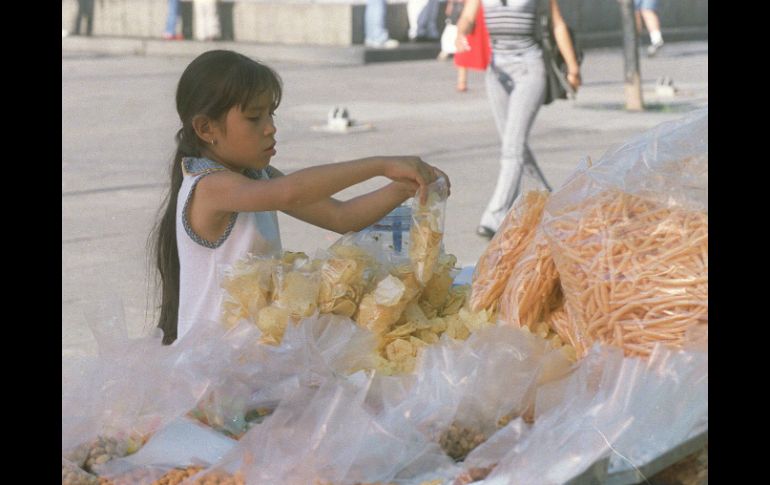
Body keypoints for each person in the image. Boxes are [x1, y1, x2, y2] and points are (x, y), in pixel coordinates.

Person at [150, 50, 449, 344]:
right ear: (206, 129)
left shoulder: (257, 179)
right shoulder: (209, 187)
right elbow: (290, 192)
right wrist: (380, 165)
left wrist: (404, 187)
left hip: (255, 359)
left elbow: (342, 216)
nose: (271, 128)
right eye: (254, 118)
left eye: (271, 114)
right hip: (212, 370)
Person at [455, 0, 581, 239]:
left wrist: (573, 69)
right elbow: (468, 17)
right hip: (497, 73)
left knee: (512, 148)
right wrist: (460, 32)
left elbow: (558, 25)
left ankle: (495, 215)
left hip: (529, 70)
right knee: (513, 144)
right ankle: (549, 199)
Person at [450, 0, 491, 92]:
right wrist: (460, 33)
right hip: (477, 15)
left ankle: (462, 81)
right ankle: (462, 81)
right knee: (465, 44)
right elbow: (467, 17)